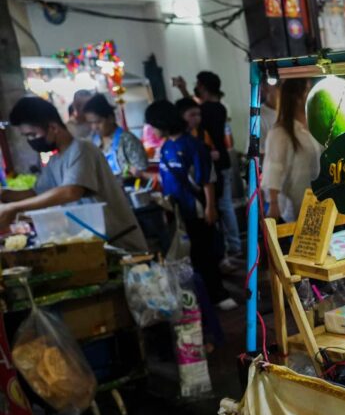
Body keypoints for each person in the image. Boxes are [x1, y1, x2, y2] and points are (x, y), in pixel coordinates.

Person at [0, 96, 146, 252]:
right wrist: (6, 194)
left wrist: (13, 208)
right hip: (96, 248)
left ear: (53, 127)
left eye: (32, 135)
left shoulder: (82, 148)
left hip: (120, 245)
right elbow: (36, 193)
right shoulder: (54, 161)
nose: (31, 141)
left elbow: (71, 191)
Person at [148, 100, 235, 311]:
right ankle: (200, 297)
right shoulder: (167, 147)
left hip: (197, 209)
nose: (151, 130)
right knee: (190, 256)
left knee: (205, 253)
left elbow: (207, 179)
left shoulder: (193, 145)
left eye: (153, 125)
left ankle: (218, 294)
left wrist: (210, 207)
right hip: (177, 212)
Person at [173, 71, 242, 261]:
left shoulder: (212, 108)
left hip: (218, 163)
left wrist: (183, 89)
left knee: (223, 206)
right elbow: (194, 106)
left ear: (202, 86)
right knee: (223, 205)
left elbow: (194, 107)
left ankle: (233, 246)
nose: (194, 117)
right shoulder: (217, 107)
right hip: (220, 161)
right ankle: (232, 246)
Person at [262, 78, 321, 222]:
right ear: (298, 98)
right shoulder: (280, 132)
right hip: (295, 206)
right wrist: (273, 203)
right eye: (308, 91)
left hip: (318, 202)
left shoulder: (313, 126)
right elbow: (273, 168)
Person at [83, 94, 148, 179]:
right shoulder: (93, 142)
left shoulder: (128, 140)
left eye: (98, 122)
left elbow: (142, 171)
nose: (94, 127)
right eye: (90, 123)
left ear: (111, 118)